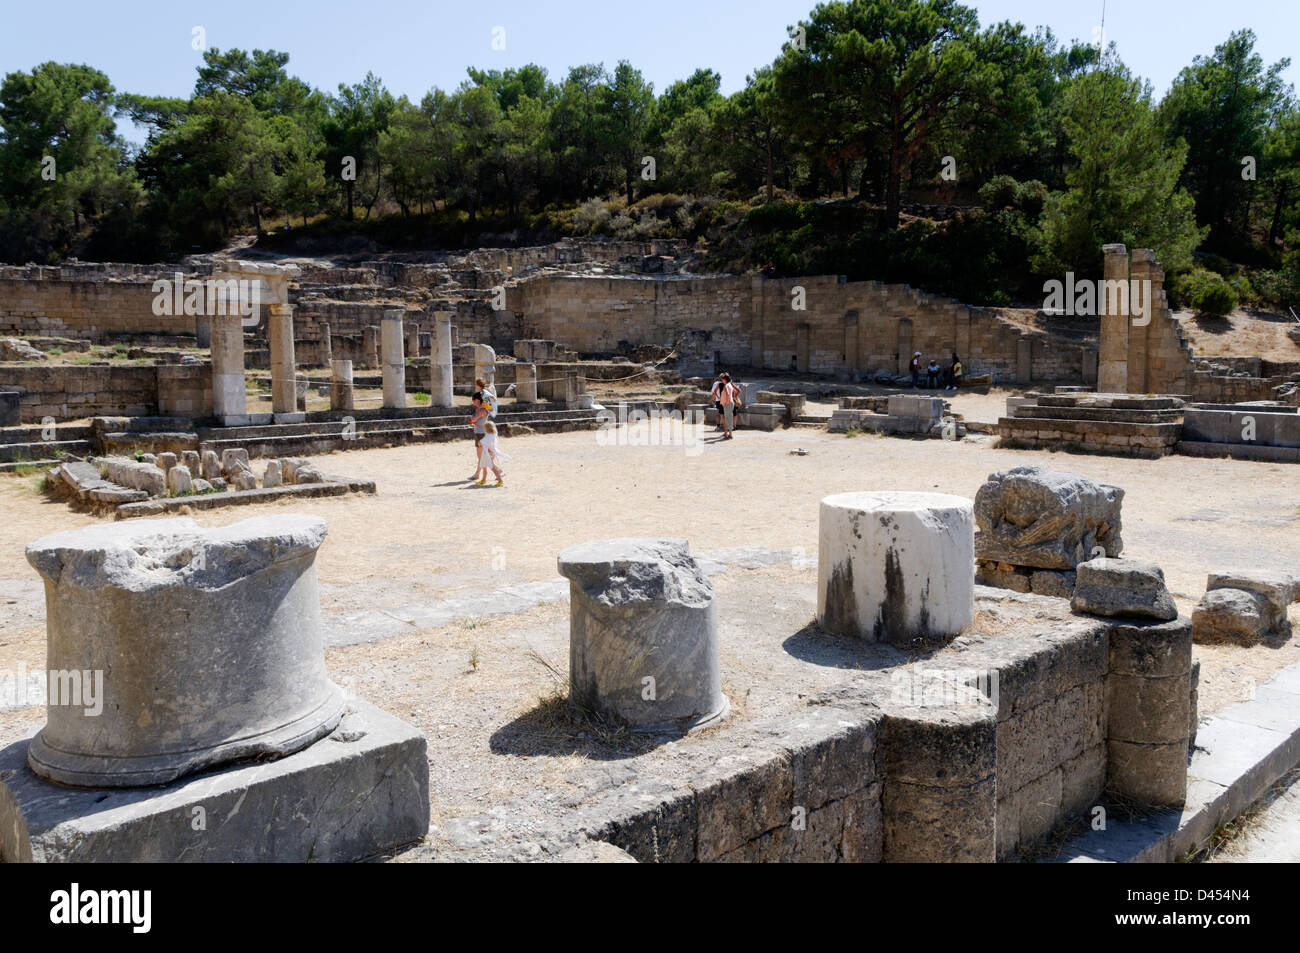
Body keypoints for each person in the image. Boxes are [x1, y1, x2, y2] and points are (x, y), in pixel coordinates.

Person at [477, 420, 510, 486]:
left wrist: (479, 443)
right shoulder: (494, 434)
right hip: (488, 453)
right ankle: (483, 480)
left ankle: (500, 481)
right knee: (484, 466)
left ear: (486, 428)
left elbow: (480, 442)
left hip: (487, 454)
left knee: (492, 468)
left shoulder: (488, 436)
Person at [467, 392, 488, 480]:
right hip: (480, 433)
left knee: (480, 456)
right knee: (485, 455)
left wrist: (471, 418)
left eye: (474, 400)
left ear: (478, 400)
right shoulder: (481, 409)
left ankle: (477, 474)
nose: (473, 402)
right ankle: (498, 470)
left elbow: (473, 419)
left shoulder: (481, 410)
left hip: (481, 434)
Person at [718, 372, 740, 440]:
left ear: (725, 379)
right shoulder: (729, 384)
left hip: (727, 404)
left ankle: (730, 434)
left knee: (728, 419)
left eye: (722, 379)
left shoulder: (726, 385)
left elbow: (727, 394)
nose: (722, 380)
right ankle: (729, 434)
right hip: (729, 403)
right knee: (729, 419)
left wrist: (725, 402)